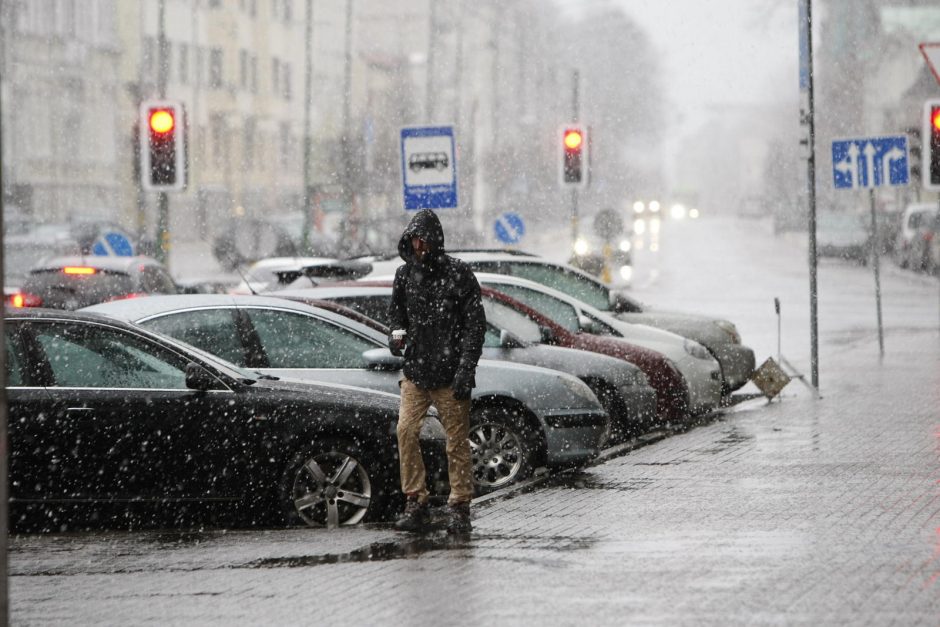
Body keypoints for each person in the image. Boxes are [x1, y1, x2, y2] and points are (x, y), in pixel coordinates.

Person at [387, 209, 485, 534]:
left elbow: (475, 326)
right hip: (416, 371)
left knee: (456, 441)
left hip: (450, 372)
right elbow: (396, 315)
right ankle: (415, 500)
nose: (418, 246)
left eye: (423, 240)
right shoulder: (404, 276)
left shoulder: (458, 274)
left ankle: (460, 505)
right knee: (406, 431)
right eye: (414, 240)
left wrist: (465, 369)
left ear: (435, 241)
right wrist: (396, 334)